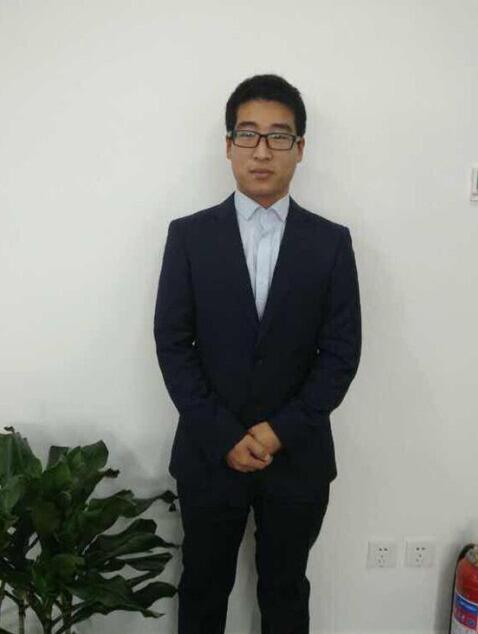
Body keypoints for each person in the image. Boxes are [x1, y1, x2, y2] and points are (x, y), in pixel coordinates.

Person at [154, 73, 362, 634]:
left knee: (286, 592)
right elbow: (173, 344)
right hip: (208, 452)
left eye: (279, 136)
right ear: (228, 146)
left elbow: (340, 353)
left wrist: (278, 432)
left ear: (300, 148)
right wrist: (225, 435)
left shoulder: (330, 243)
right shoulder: (189, 237)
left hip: (297, 455)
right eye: (248, 134)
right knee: (202, 590)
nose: (262, 151)